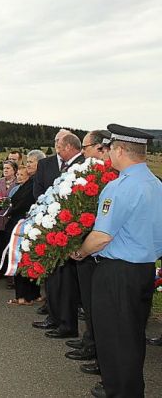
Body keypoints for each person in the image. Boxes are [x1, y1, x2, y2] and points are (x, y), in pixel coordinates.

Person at [70, 124, 162, 398]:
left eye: (110, 148)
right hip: (144, 269)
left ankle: (120, 391)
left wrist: (80, 252)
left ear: (121, 149)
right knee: (132, 336)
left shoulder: (118, 187)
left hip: (117, 273)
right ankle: (131, 389)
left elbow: (101, 236)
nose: (107, 154)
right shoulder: (156, 184)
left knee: (113, 339)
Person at [65, 130, 112, 368]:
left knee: (99, 306)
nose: (83, 152)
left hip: (99, 250)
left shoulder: (111, 176)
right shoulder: (93, 172)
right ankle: (90, 340)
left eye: (86, 146)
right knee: (89, 300)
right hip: (85, 246)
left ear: (101, 147)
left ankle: (96, 348)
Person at [33, 132, 86, 339]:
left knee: (66, 282)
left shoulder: (83, 165)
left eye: (60, 145)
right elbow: (39, 190)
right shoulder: (47, 165)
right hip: (51, 227)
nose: (57, 149)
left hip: (69, 231)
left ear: (69, 146)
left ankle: (66, 323)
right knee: (54, 278)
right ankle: (55, 317)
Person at [7, 157, 42, 305]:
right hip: (20, 223)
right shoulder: (28, 183)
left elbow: (24, 204)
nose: (27, 165)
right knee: (25, 259)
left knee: (23, 258)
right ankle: (32, 294)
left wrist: (9, 210)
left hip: (24, 225)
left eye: (31, 162)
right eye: (26, 162)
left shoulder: (34, 183)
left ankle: (24, 296)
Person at [0, 160, 18, 278]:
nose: (5, 170)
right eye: (4, 168)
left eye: (8, 168)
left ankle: (10, 271)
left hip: (10, 219)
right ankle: (1, 269)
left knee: (10, 246)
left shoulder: (18, 183)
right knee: (0, 244)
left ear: (14, 170)